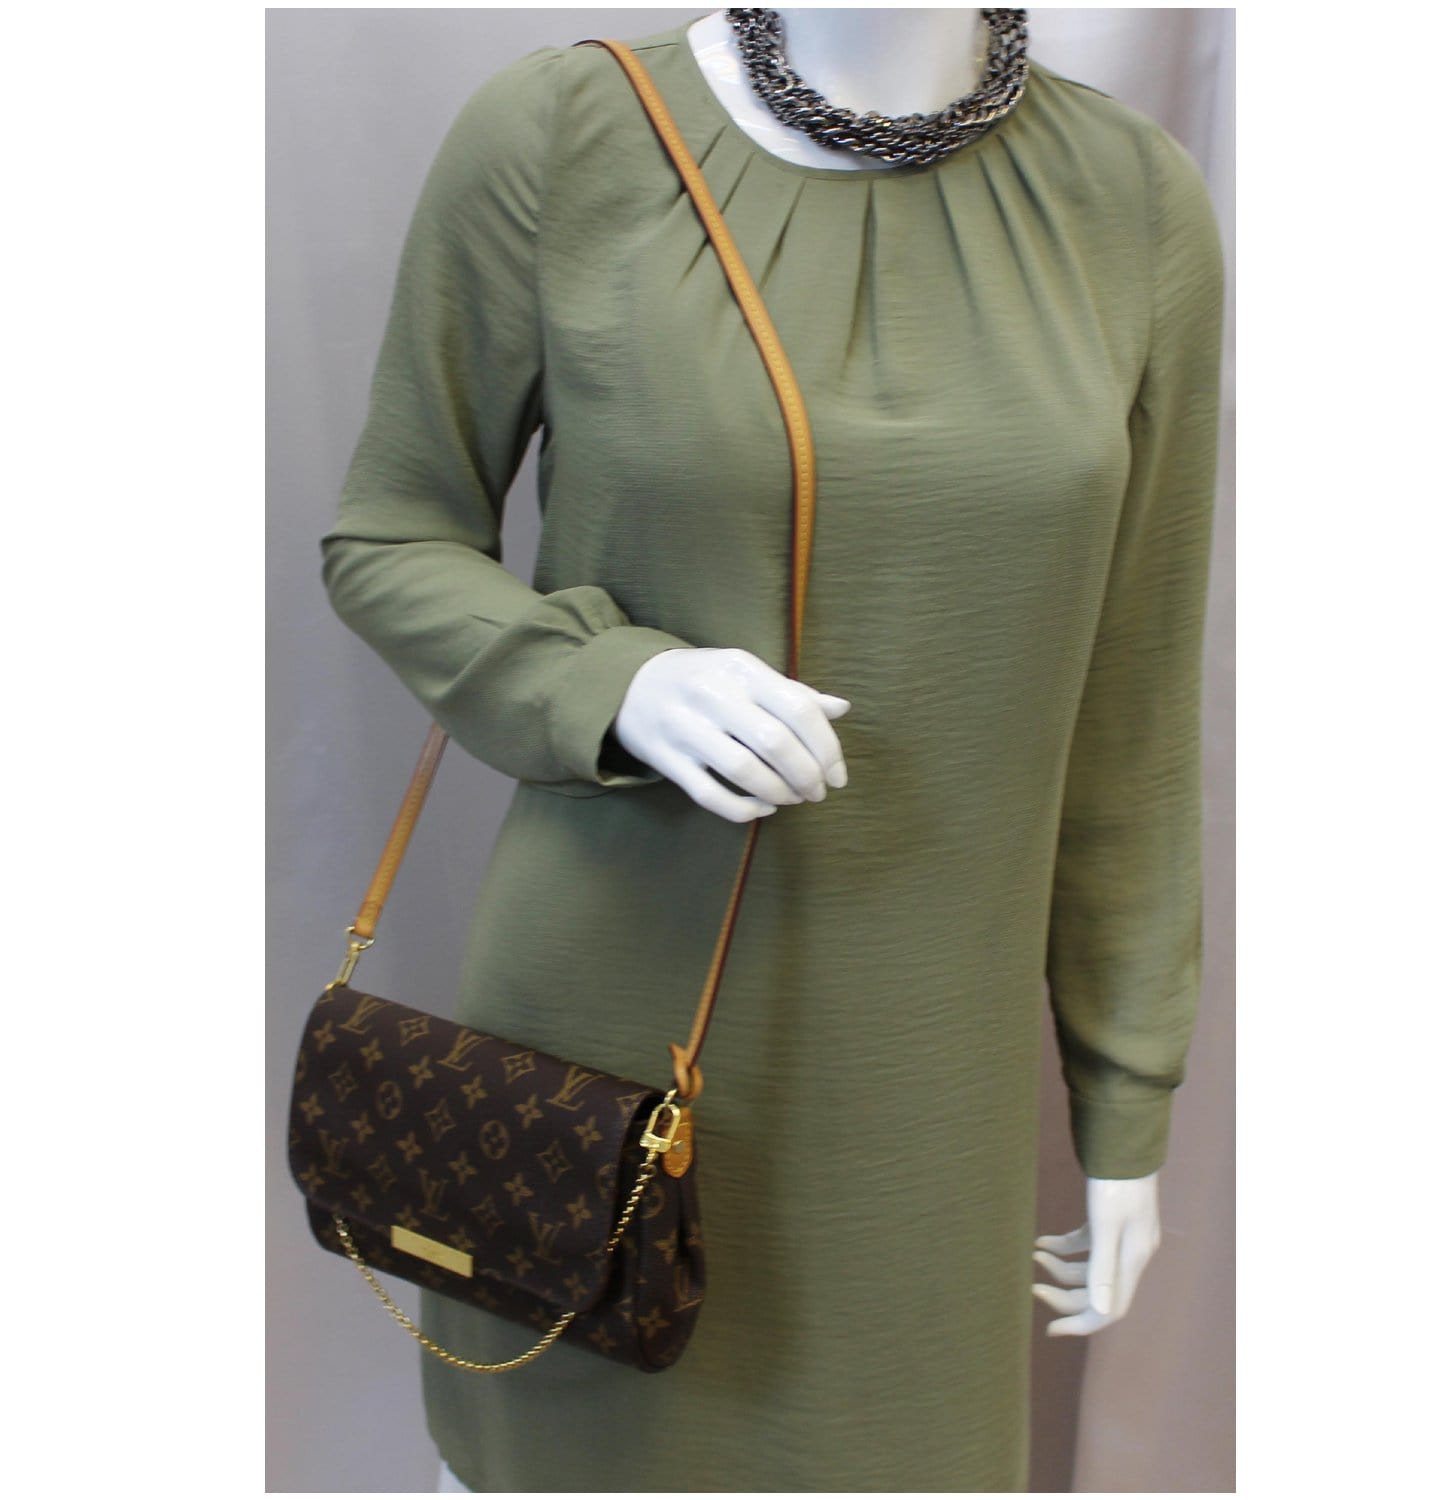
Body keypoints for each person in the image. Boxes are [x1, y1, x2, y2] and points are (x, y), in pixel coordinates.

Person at [319, 7, 1225, 1492]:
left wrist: (1126, 1099)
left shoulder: (1131, 198)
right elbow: (391, 533)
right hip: (603, 1052)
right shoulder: (566, 137)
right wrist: (616, 683)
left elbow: (1132, 709)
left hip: (925, 1086)